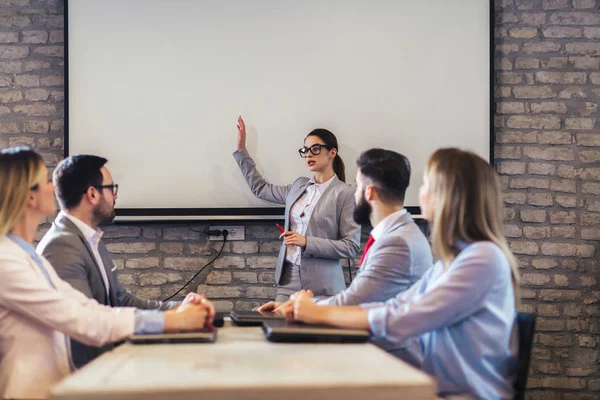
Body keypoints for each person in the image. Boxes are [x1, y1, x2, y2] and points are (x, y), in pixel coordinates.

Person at [289, 148, 520, 399]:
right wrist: (313, 307)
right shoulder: (452, 262)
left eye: (426, 184)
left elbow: (403, 318)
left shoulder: (483, 259)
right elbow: (397, 305)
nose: (420, 192)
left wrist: (317, 311)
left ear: (448, 196)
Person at [0, 147, 214, 399]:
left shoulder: (30, 256)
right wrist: (173, 321)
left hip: (52, 386)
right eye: (46, 181)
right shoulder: (7, 261)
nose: (54, 188)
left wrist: (177, 314)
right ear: (30, 197)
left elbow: (90, 308)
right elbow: (79, 319)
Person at [259, 148, 432, 367]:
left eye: (358, 186)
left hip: (391, 361)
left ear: (369, 193)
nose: (354, 192)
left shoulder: (397, 243)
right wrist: (295, 304)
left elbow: (354, 302)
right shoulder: (400, 234)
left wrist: (301, 305)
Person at [36, 155, 186, 367]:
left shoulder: (88, 237)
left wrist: (178, 309)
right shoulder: (62, 246)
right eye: (111, 188)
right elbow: (86, 326)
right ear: (92, 194)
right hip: (89, 376)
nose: (115, 196)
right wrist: (173, 321)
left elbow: (119, 299)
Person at [234, 116, 360, 301]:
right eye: (305, 150)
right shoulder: (298, 186)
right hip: (288, 281)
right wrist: (241, 151)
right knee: (280, 329)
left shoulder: (345, 193)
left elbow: (351, 246)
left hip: (324, 286)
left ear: (332, 152)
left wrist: (307, 242)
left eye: (315, 149)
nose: (309, 154)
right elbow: (260, 189)